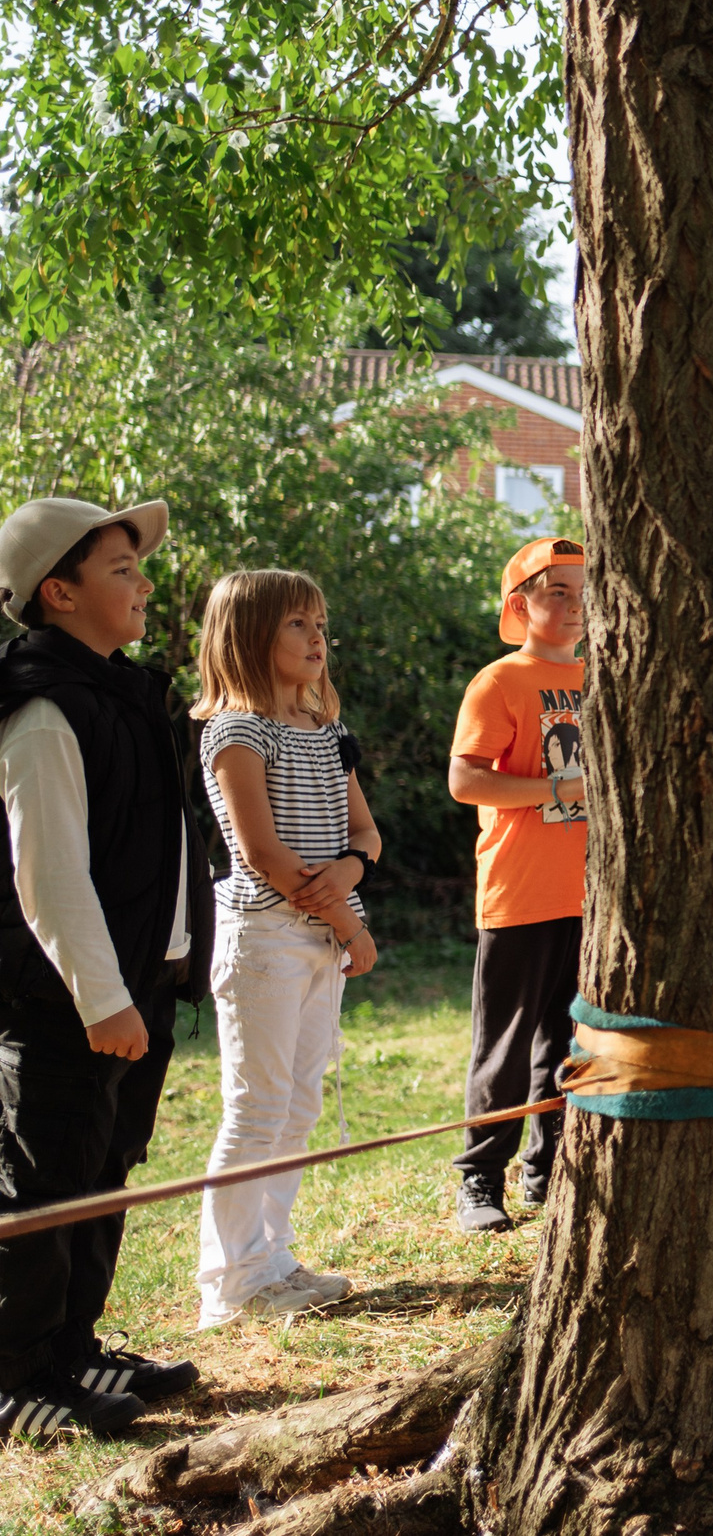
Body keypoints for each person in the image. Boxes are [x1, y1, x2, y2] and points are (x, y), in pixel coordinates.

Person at [0, 498, 208, 1438]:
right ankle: (17, 1376)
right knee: (42, 1184)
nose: (144, 583)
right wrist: (101, 997)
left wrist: (161, 972)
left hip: (135, 987)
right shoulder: (44, 708)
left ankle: (72, 1347)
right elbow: (47, 873)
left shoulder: (121, 692)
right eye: (121, 569)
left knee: (103, 1166)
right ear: (59, 591)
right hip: (66, 1000)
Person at [193, 571, 378, 1327]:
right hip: (267, 939)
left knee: (299, 1104)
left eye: (320, 623)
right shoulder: (237, 732)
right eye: (297, 623)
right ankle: (232, 1282)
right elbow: (265, 854)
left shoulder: (327, 729)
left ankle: (273, 1257)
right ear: (248, 635)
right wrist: (351, 925)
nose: (317, 638)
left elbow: (365, 833)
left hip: (321, 938)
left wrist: (350, 872)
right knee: (257, 1107)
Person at [447, 538, 588, 1233]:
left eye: (583, 591)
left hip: (592, 899)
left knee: (569, 1044)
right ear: (520, 605)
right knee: (503, 1049)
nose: (574, 604)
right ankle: (480, 1180)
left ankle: (549, 1169)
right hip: (519, 893)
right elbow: (465, 779)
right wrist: (558, 789)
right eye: (556, 591)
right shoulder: (500, 681)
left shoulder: (608, 675)